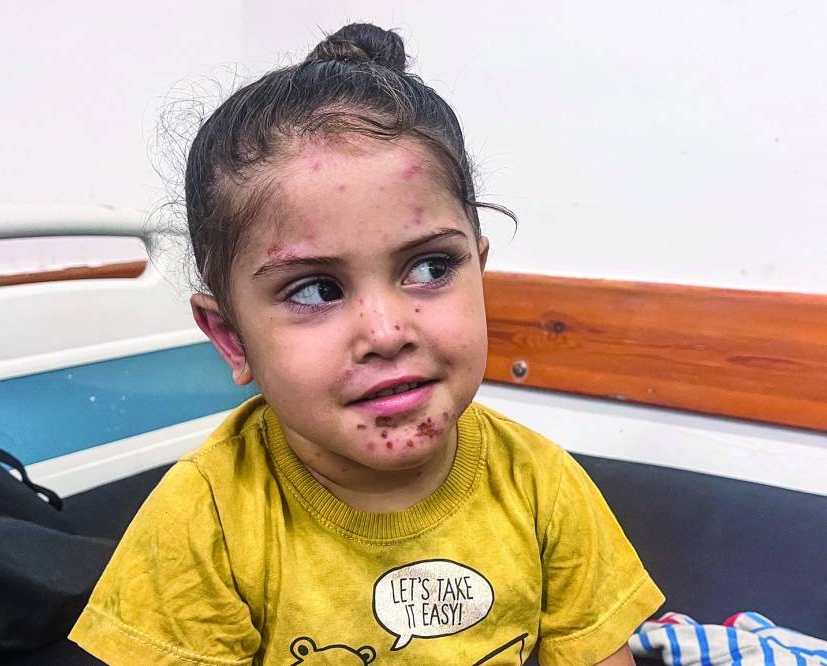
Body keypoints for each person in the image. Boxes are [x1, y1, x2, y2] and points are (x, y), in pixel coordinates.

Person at [70, 23, 663, 665]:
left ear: (479, 270)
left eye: (431, 268)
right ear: (232, 338)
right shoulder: (204, 521)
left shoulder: (543, 486)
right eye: (316, 290)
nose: (386, 332)